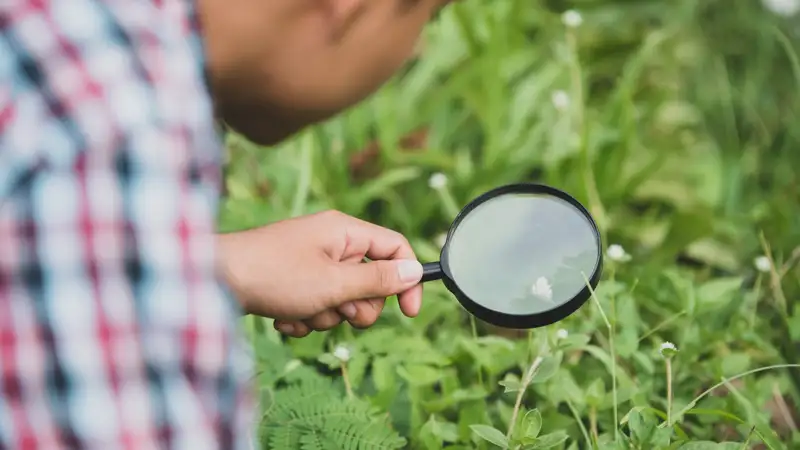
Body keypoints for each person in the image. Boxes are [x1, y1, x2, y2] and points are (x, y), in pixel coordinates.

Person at [0, 0, 452, 448]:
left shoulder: (65, 39)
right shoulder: (110, 139)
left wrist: (216, 267)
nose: (413, 50)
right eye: (427, 20)